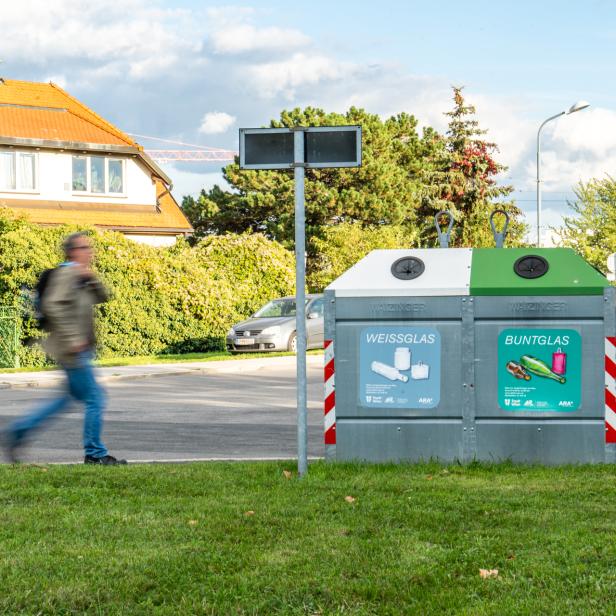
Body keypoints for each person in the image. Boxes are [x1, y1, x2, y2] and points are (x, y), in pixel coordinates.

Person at [2, 232, 126, 465]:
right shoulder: (65, 273)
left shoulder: (80, 275)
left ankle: (18, 432)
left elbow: (102, 297)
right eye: (84, 247)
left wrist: (91, 277)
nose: (90, 251)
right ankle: (95, 454)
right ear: (72, 251)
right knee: (96, 399)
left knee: (65, 400)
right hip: (72, 349)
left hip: (77, 349)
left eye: (90, 247)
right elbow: (52, 305)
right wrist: (74, 339)